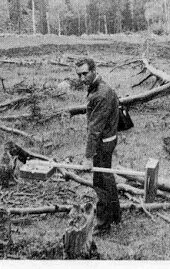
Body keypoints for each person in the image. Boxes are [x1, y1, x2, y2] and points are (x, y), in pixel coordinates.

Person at [75, 58, 121, 234]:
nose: (81, 79)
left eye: (85, 74)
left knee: (100, 182)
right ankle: (115, 215)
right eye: (79, 75)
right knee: (107, 179)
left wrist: (88, 158)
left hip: (103, 143)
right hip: (107, 140)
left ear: (94, 71)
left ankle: (103, 224)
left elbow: (95, 130)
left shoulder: (101, 94)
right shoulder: (99, 88)